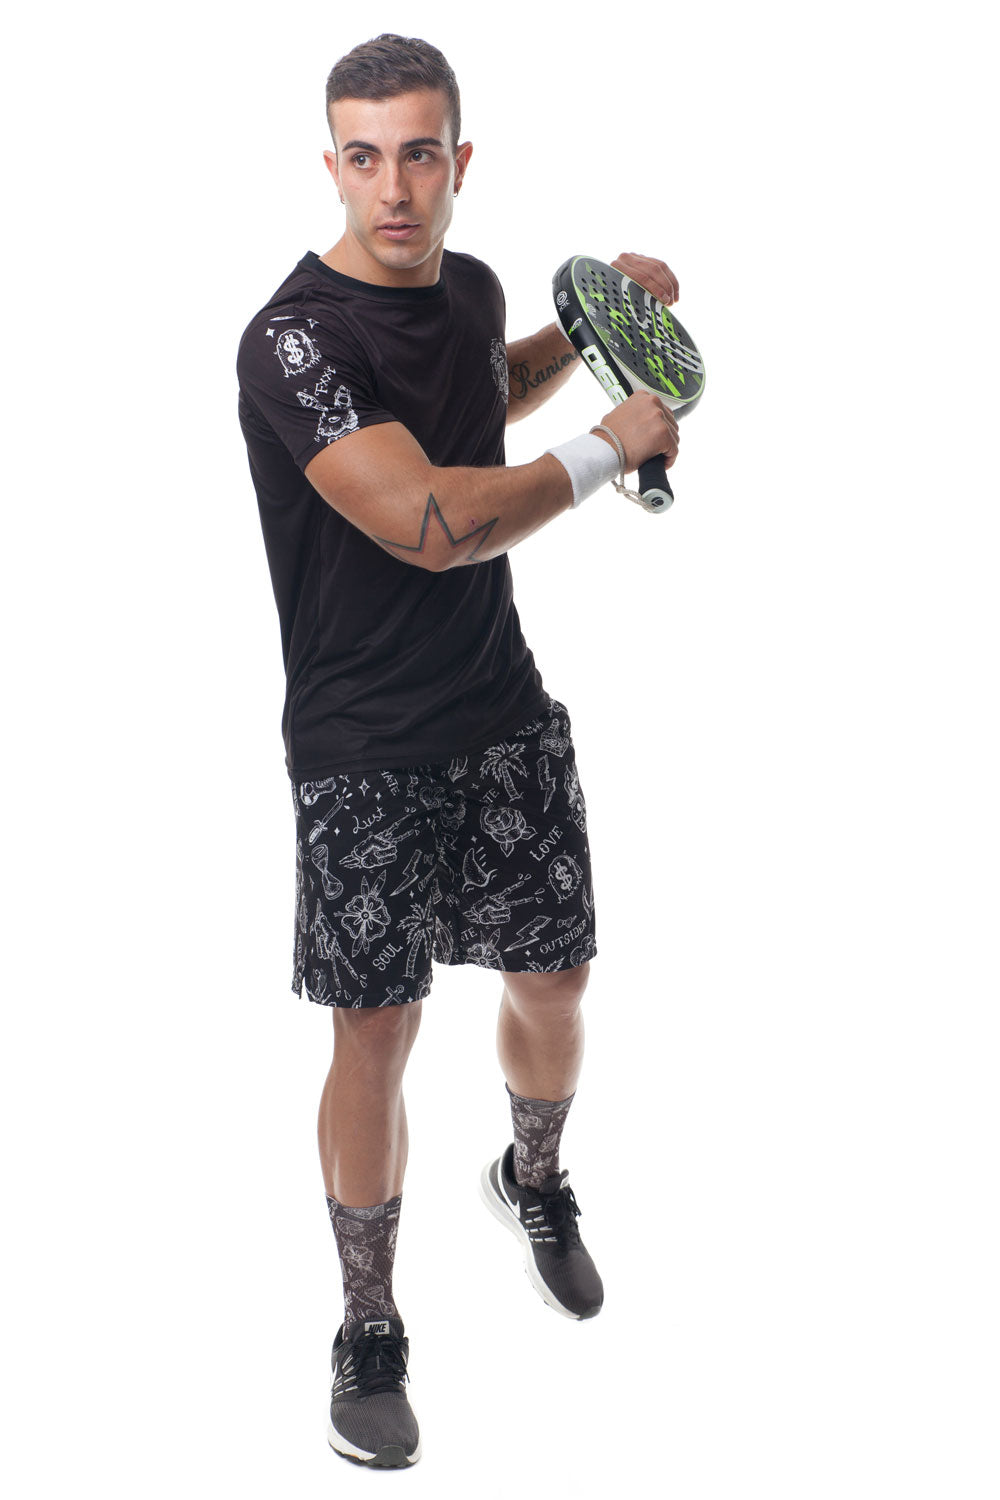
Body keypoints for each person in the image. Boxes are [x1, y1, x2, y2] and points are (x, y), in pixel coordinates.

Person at [236, 32, 680, 1471]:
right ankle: (368, 1326)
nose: (395, 188)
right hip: (361, 747)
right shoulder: (292, 344)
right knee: (376, 1030)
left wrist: (599, 332)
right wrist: (611, 446)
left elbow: (481, 384)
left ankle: (531, 1179)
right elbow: (434, 523)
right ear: (331, 165)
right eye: (365, 157)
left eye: (420, 154)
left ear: (459, 161)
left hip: (500, 709)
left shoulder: (471, 286)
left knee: (556, 978)